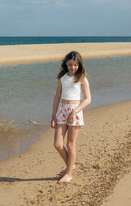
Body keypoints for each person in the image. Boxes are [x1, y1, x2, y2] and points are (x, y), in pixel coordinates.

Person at [51, 51, 91, 183]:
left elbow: (88, 99)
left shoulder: (82, 78)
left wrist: (74, 112)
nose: (72, 67)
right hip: (62, 110)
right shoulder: (62, 77)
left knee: (70, 144)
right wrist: (54, 116)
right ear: (66, 64)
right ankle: (71, 165)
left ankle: (68, 173)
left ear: (79, 65)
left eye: (75, 65)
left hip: (75, 111)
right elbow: (57, 97)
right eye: (70, 65)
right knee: (57, 144)